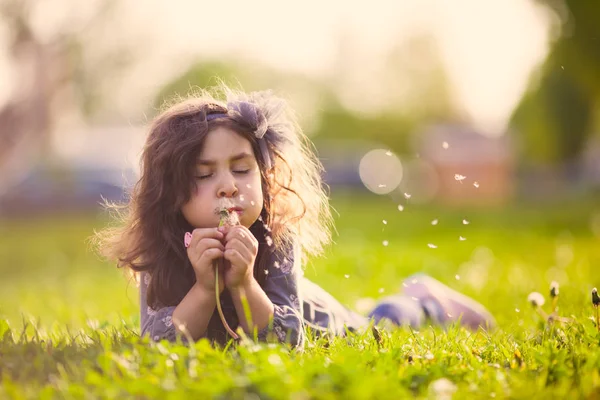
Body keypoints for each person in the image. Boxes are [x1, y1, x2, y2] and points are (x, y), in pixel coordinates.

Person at [95, 85, 495, 347]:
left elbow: (287, 342)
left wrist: (244, 281)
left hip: (328, 322)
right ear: (170, 194)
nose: (227, 186)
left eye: (241, 168)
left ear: (263, 175)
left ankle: (423, 300)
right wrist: (203, 288)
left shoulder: (274, 233)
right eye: (203, 174)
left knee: (378, 324)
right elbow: (158, 345)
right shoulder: (162, 247)